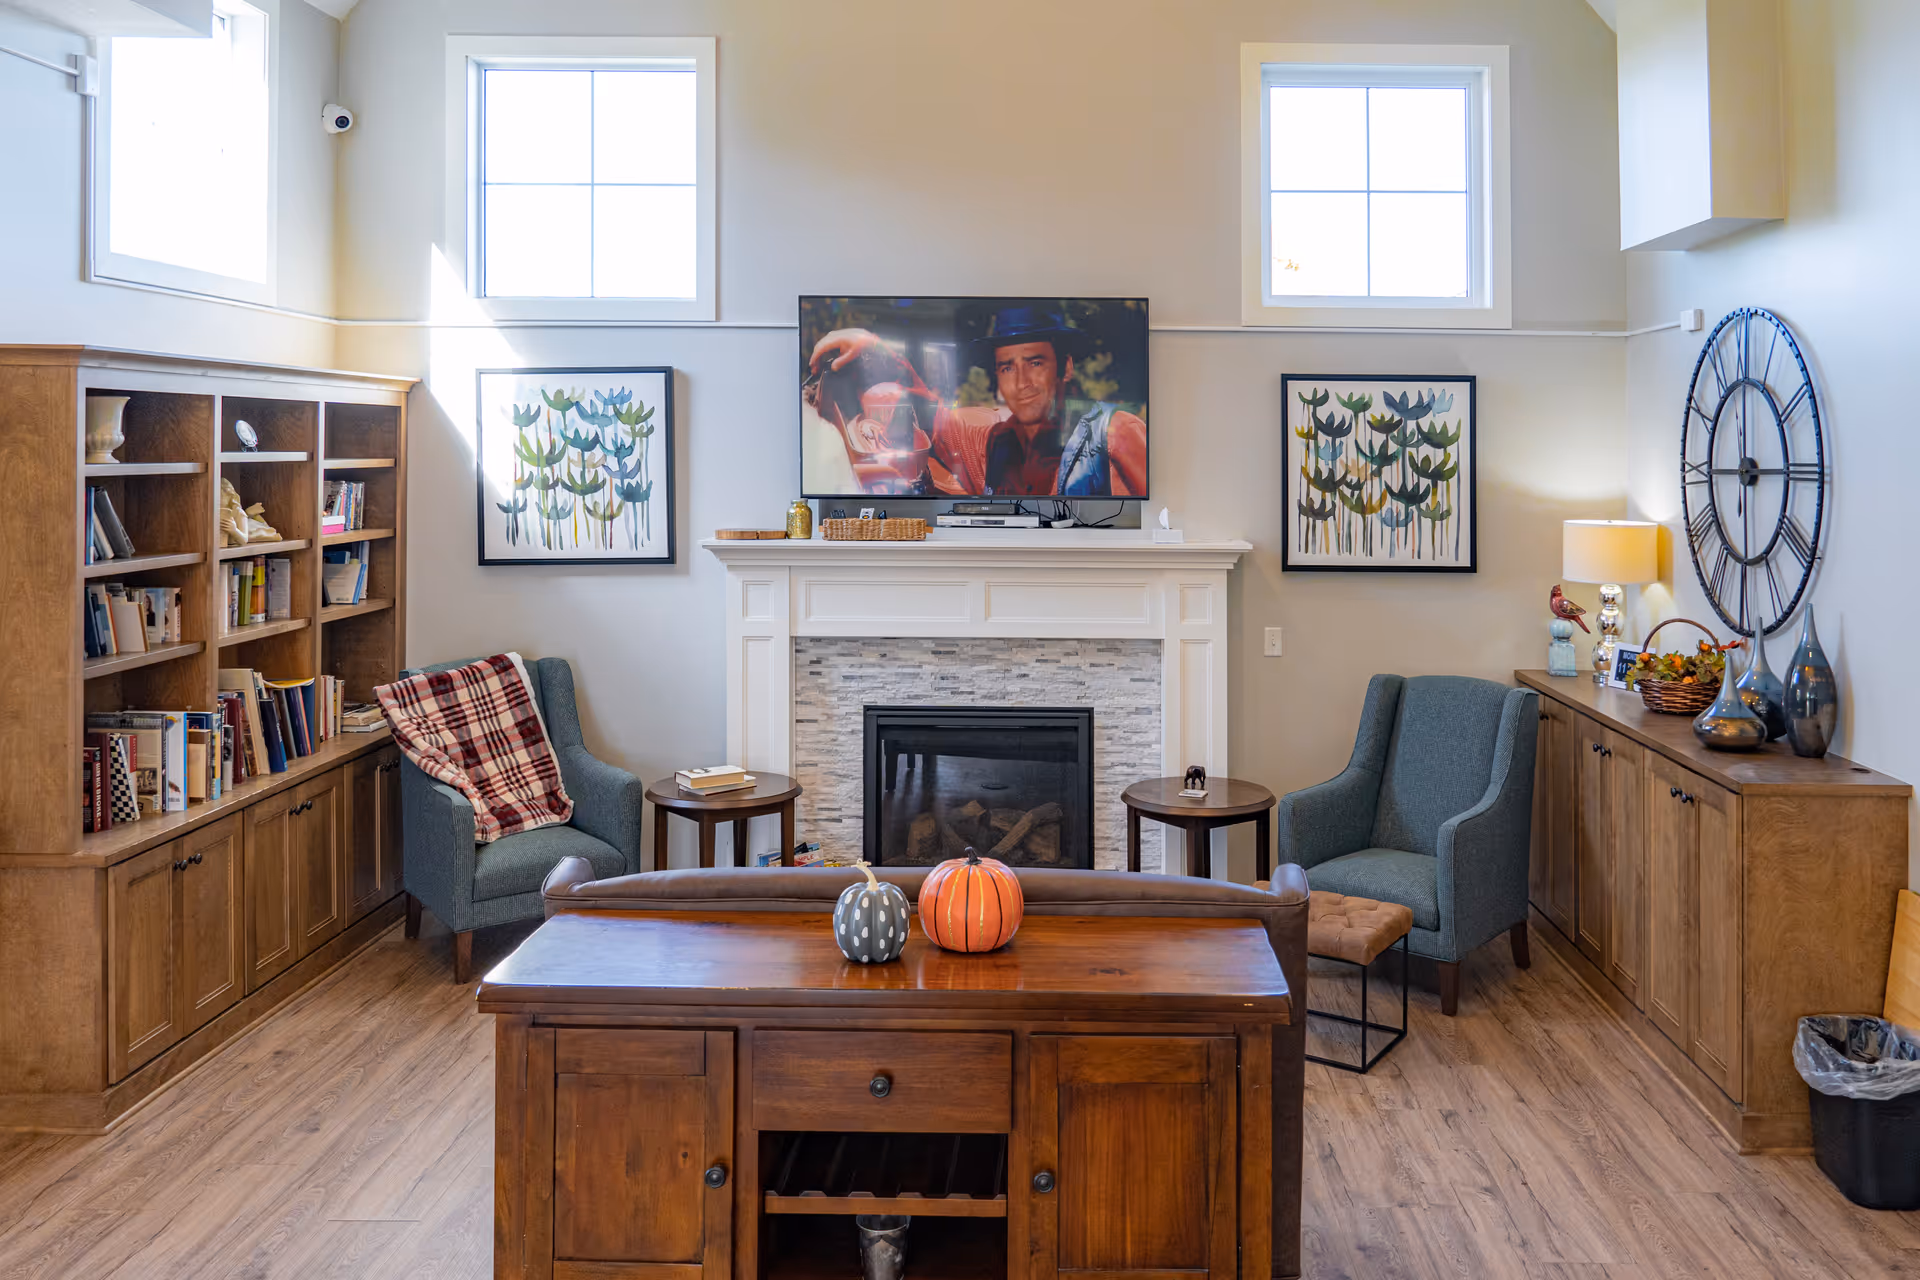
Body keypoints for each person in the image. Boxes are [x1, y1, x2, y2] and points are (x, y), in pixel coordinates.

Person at [808, 306, 1147, 497]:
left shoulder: (1115, 432)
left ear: (1066, 367)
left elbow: (1159, 511)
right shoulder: (995, 442)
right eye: (1007, 367)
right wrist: (877, 347)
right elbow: (930, 413)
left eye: (1035, 362)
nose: (1022, 382)